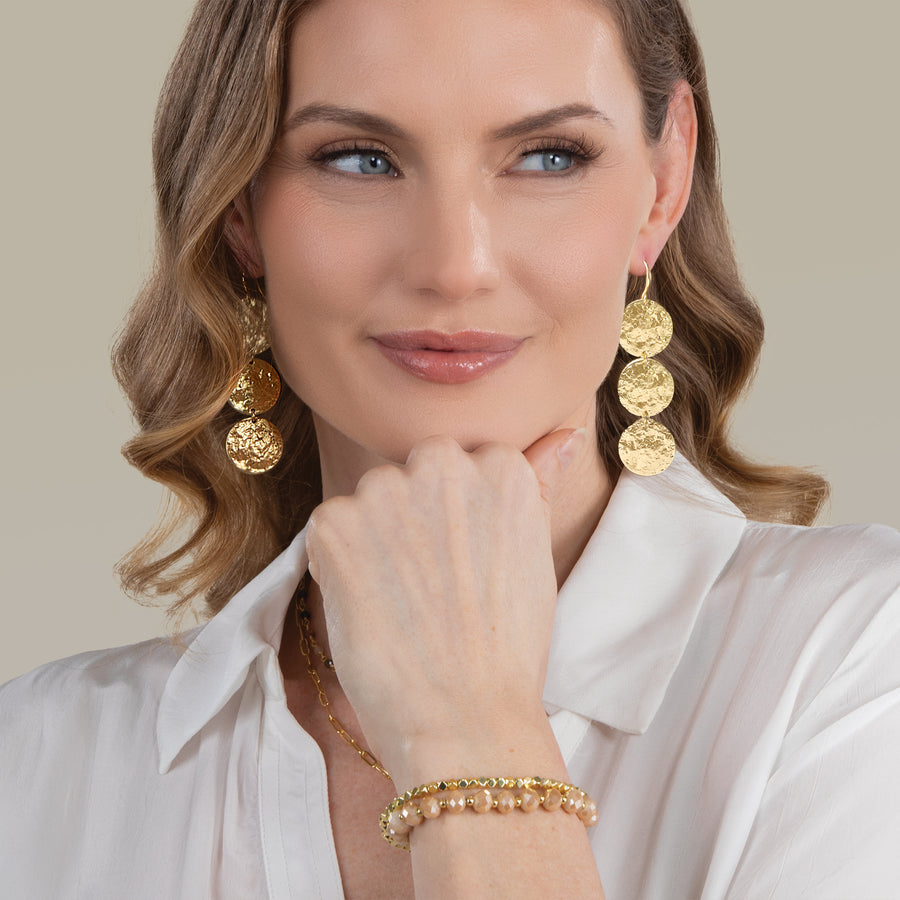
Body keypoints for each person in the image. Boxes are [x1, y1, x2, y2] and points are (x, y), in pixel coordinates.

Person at [1, 0, 898, 897]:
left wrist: (469, 730)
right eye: (359, 159)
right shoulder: (38, 760)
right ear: (240, 211)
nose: (455, 264)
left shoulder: (851, 659)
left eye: (548, 157)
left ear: (664, 181)